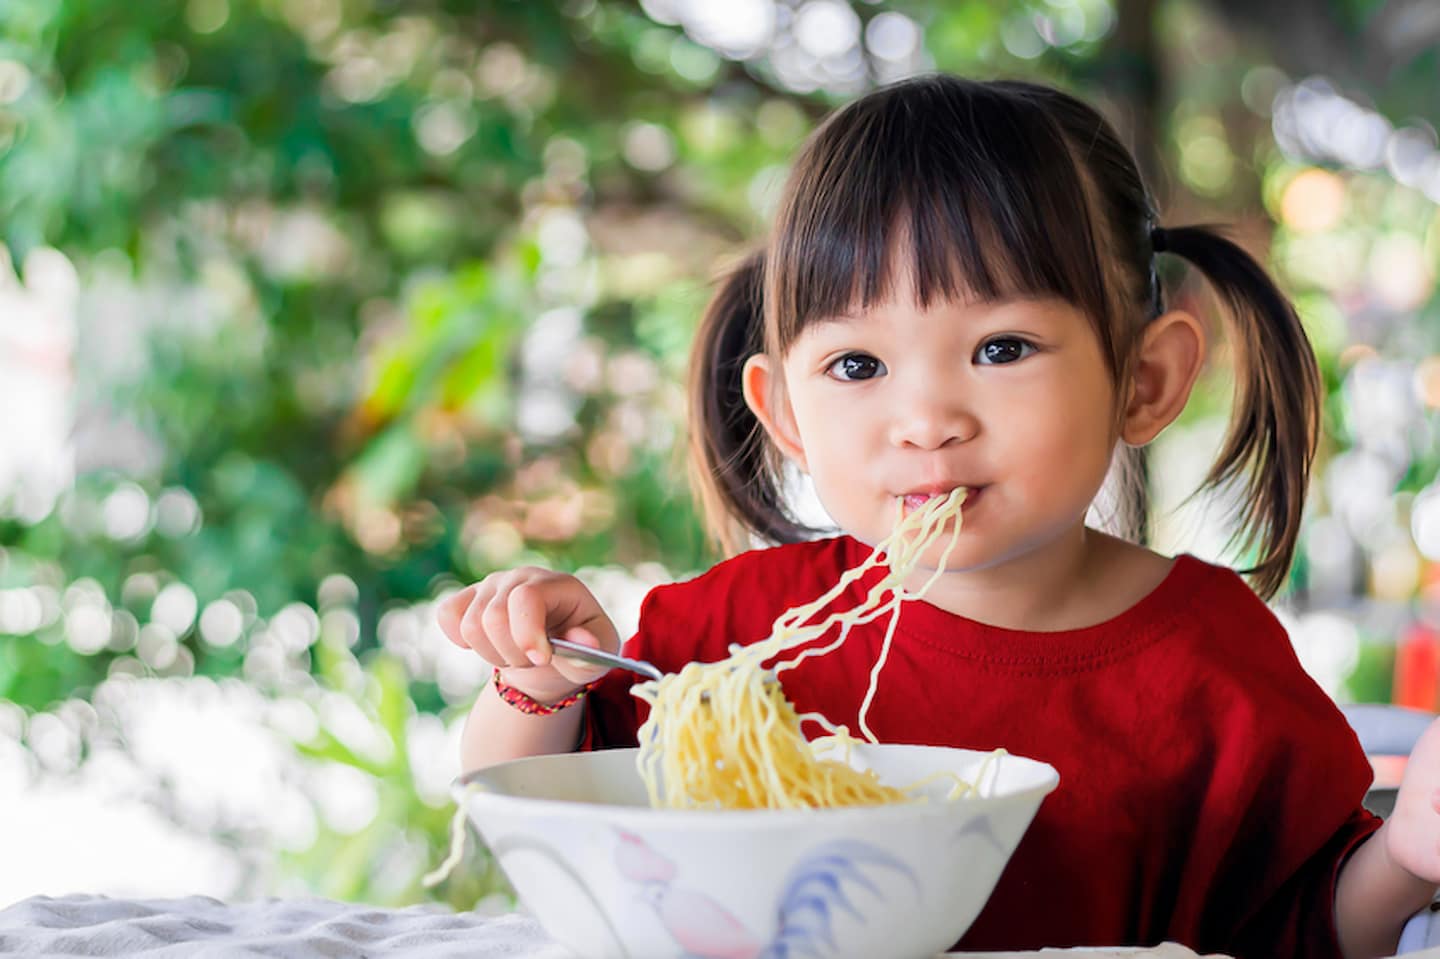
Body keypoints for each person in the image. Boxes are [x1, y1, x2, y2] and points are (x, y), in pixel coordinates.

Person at [437, 74, 1440, 958]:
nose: (926, 422)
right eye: (857, 365)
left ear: (1144, 379)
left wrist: (1409, 853)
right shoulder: (723, 641)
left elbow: (1307, 927)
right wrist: (536, 680)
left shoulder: (1215, 663)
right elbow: (535, 798)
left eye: (1001, 348)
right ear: (785, 410)